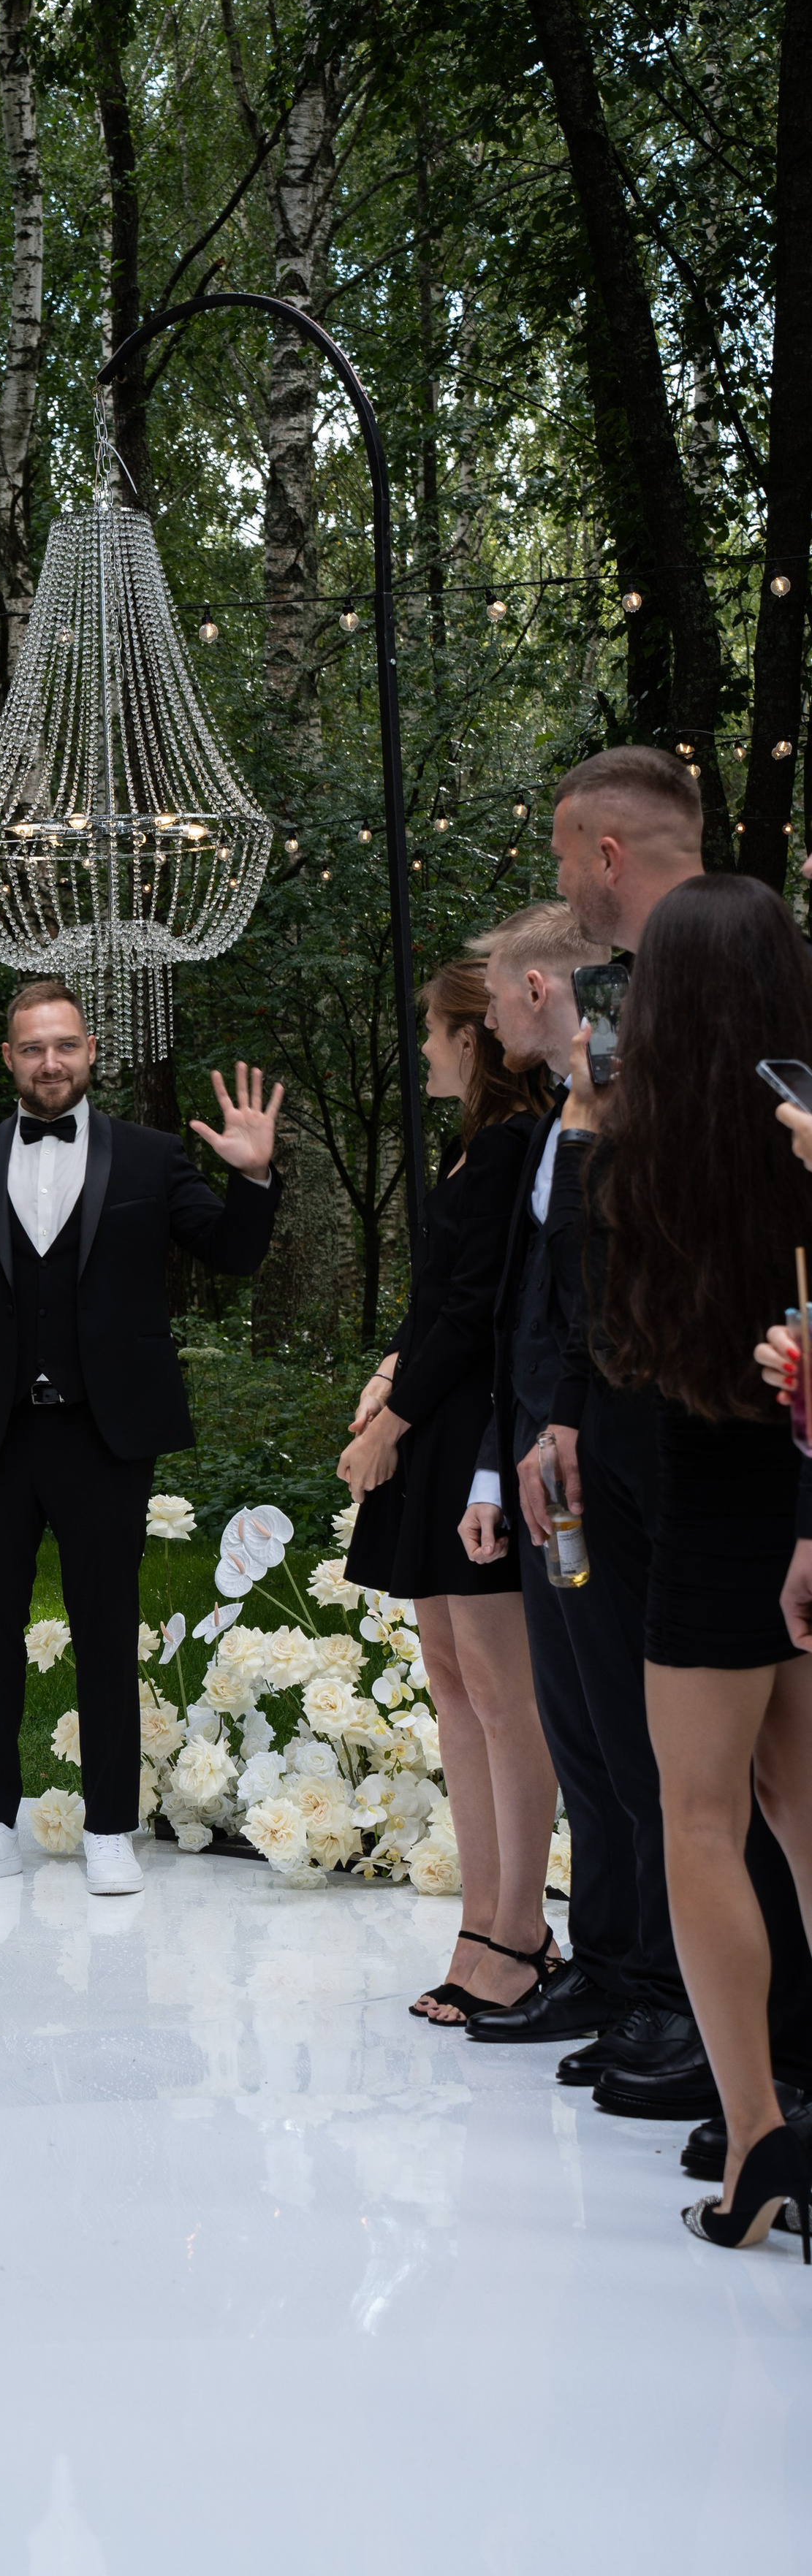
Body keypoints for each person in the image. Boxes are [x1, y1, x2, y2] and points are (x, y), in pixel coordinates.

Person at [0, 980, 281, 1897]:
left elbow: (232, 1254)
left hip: (105, 1434)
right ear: (8, 1060)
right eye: (32, 1048)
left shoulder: (149, 1159)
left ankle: (111, 1826)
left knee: (108, 1630)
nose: (50, 1062)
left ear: (92, 1050)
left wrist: (254, 1178)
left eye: (64, 1045)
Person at [536, 746, 812, 2121]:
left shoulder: (661, 1117)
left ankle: (758, 2108)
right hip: (766, 1471)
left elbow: (630, 1295)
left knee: (705, 1805)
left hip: (716, 1465)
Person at [337, 956, 558, 2023]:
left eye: (431, 1029)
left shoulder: (519, 1147)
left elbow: (479, 1312)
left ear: (470, 1039)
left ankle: (523, 1932)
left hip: (479, 1432)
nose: (422, 1047)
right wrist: (386, 1381)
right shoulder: (470, 1148)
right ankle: (480, 1921)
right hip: (435, 1424)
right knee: (452, 1683)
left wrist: (397, 1425)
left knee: (504, 1697)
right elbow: (433, 1307)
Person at [455, 901, 637, 2053]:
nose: (483, 1020)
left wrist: (563, 1426)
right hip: (535, 1467)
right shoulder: (555, 1117)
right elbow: (521, 1318)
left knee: (623, 1730)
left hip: (596, 1456)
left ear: (533, 991)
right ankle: (609, 1966)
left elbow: (600, 1306)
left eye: (493, 993)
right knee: (576, 1720)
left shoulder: (619, 1106)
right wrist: (497, 1459)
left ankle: (657, 1985)